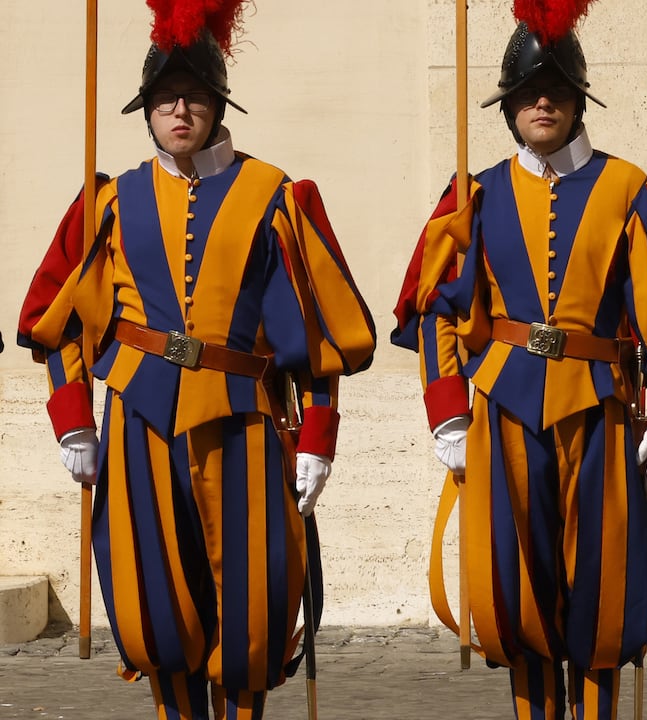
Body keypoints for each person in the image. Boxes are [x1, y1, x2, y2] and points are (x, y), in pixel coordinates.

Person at [15, 7, 376, 718]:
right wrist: (72, 423)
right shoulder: (110, 202)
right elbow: (60, 324)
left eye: (195, 95)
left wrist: (318, 438)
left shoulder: (274, 197)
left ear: (218, 105)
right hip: (138, 424)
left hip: (244, 422)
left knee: (253, 608)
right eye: (165, 97)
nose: (180, 109)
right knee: (157, 609)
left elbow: (316, 332)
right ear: (147, 110)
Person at [392, 20, 647, 720]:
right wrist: (448, 413)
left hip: (602, 409)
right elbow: (437, 311)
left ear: (578, 100)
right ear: (509, 105)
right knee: (518, 588)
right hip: (503, 408)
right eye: (526, 92)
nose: (540, 103)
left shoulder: (631, 190)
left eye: (554, 90)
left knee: (606, 586)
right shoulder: (475, 197)